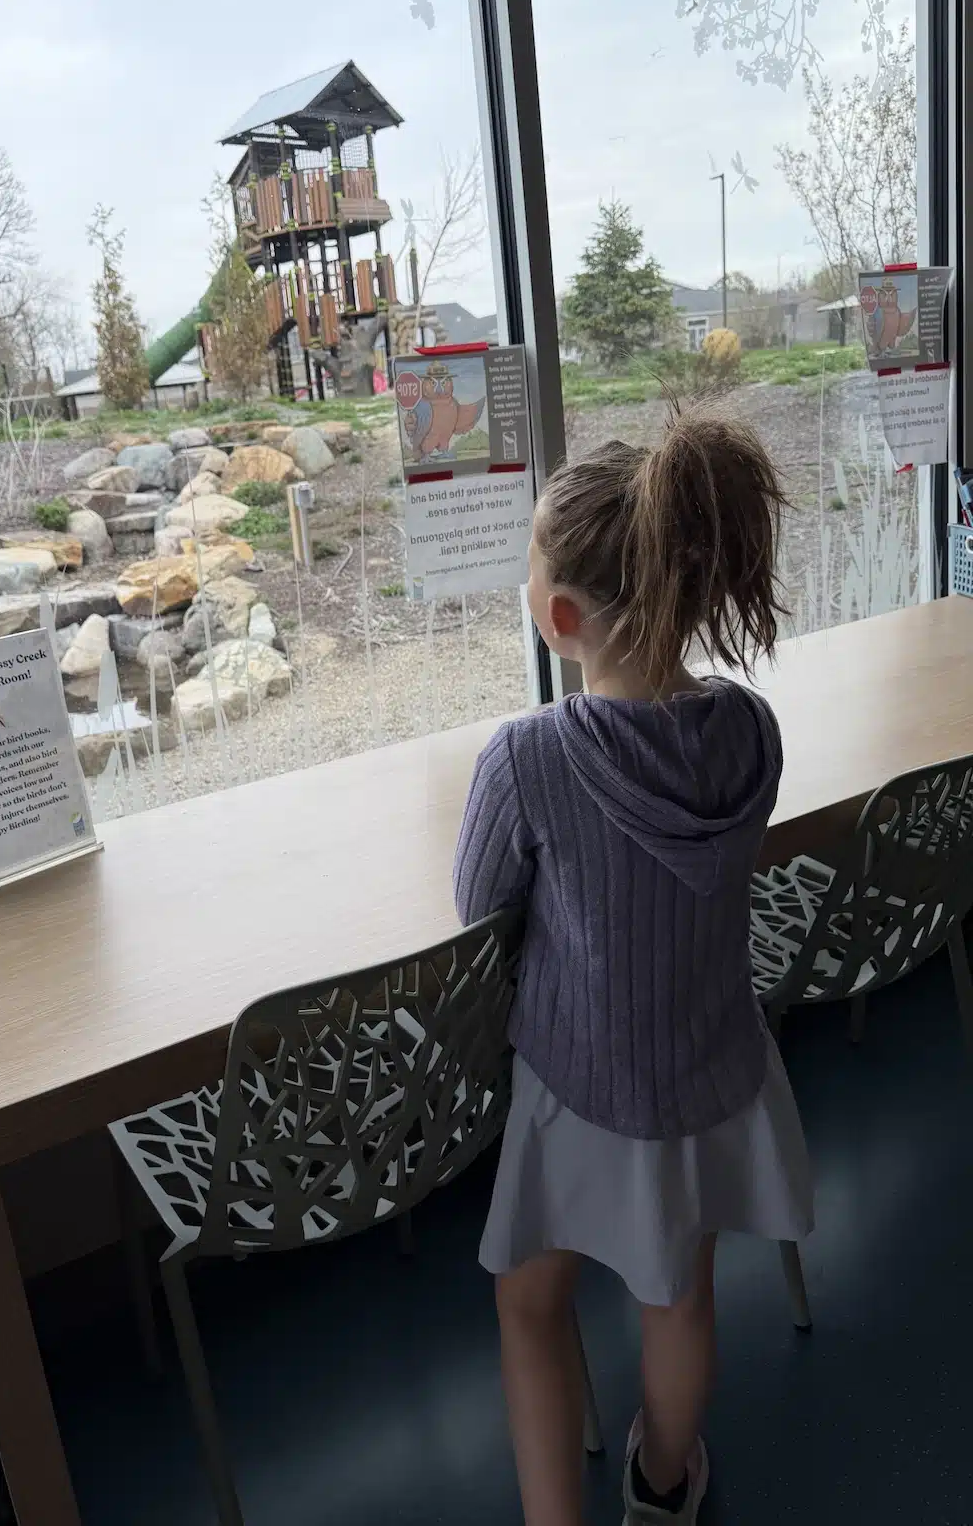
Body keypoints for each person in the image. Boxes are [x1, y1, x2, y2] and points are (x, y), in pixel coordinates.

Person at [453, 405, 815, 1525]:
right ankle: (664, 1486)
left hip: (583, 1090)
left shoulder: (527, 757)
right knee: (679, 1294)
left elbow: (478, 907)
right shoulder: (752, 730)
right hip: (713, 1069)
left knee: (530, 1302)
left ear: (561, 618)